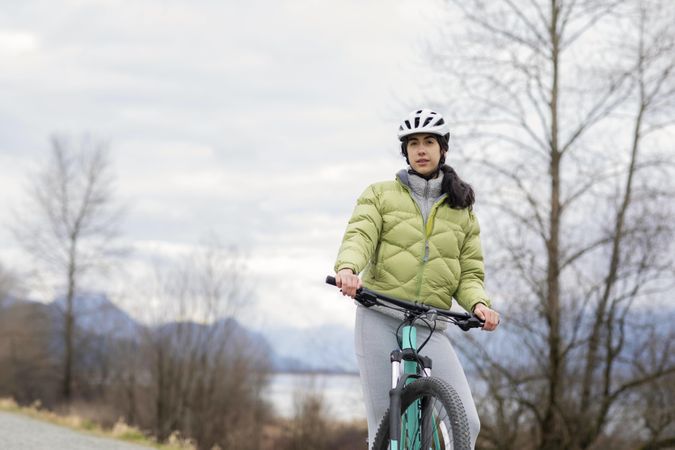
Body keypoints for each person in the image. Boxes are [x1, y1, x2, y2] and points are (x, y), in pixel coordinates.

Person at [333, 108, 500, 448]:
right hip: (379, 314)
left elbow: (469, 272)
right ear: (405, 152)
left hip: (430, 323)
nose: (421, 149)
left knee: (466, 420)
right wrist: (348, 269)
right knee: (384, 422)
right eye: (413, 144)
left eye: (428, 142)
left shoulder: (462, 212)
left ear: (443, 149)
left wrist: (480, 304)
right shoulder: (380, 195)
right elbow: (360, 236)